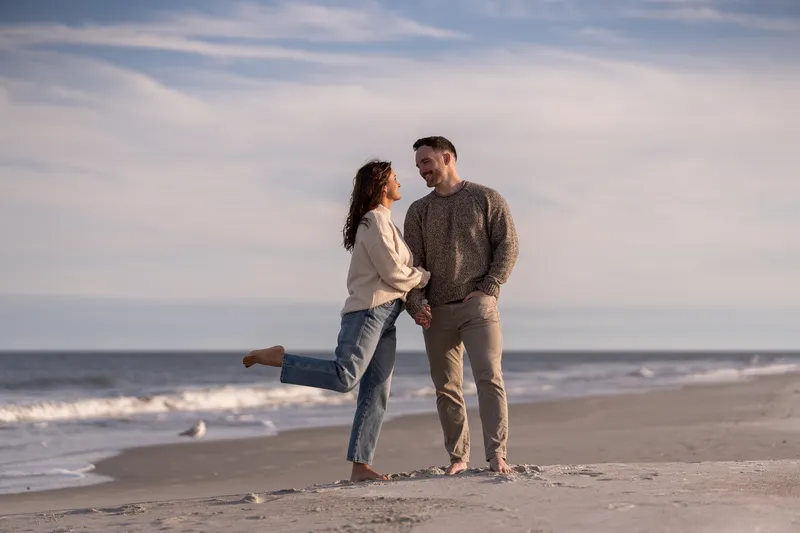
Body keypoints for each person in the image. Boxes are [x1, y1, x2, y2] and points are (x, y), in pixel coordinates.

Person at [243, 159, 430, 482]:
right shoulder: (373, 222)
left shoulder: (387, 224)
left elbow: (397, 274)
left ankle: (361, 466)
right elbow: (393, 273)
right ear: (381, 185)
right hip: (368, 313)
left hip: (388, 315)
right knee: (345, 378)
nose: (400, 182)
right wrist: (424, 277)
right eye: (395, 178)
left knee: (376, 392)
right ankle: (281, 358)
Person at [403, 136, 519, 475]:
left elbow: (508, 245)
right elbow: (412, 264)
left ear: (447, 158)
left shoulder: (485, 198)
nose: (422, 170)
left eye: (426, 162)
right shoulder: (418, 210)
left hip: (478, 306)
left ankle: (497, 455)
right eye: (418, 165)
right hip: (436, 312)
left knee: (489, 378)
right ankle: (458, 458)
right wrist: (416, 304)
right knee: (446, 388)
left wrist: (489, 287)